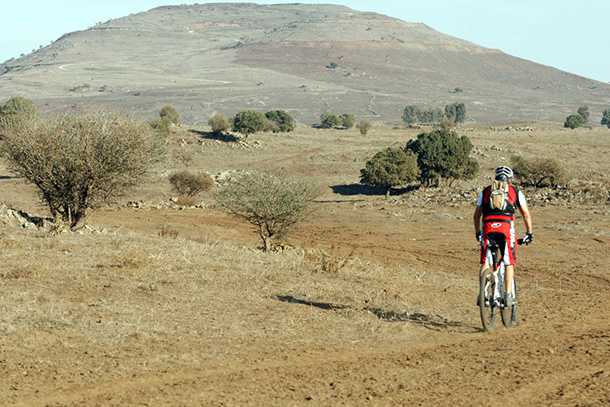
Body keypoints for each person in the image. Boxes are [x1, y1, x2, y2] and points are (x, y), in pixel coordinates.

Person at [473, 166, 533, 305]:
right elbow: (525, 214)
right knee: (508, 262)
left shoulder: (486, 191)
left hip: (488, 227)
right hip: (506, 228)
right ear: (509, 179)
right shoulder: (515, 191)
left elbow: (476, 216)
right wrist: (529, 233)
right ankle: (507, 295)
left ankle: (482, 294)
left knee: (485, 261)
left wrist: (478, 232)